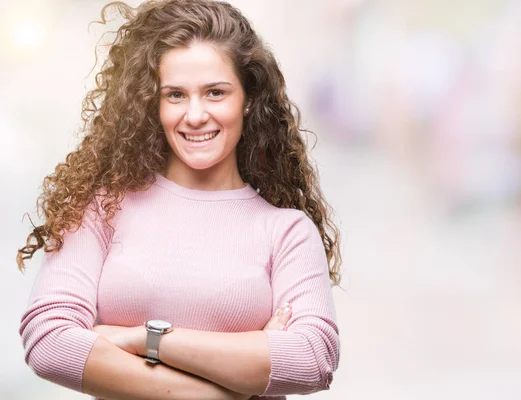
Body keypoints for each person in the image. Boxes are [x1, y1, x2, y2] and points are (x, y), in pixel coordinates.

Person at [17, 1, 342, 399]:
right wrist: (228, 387)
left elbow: (313, 359)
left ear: (248, 98)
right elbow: (49, 342)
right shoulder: (103, 208)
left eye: (215, 92)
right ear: (152, 104)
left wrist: (146, 341)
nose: (195, 114)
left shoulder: (286, 231)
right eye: (175, 95)